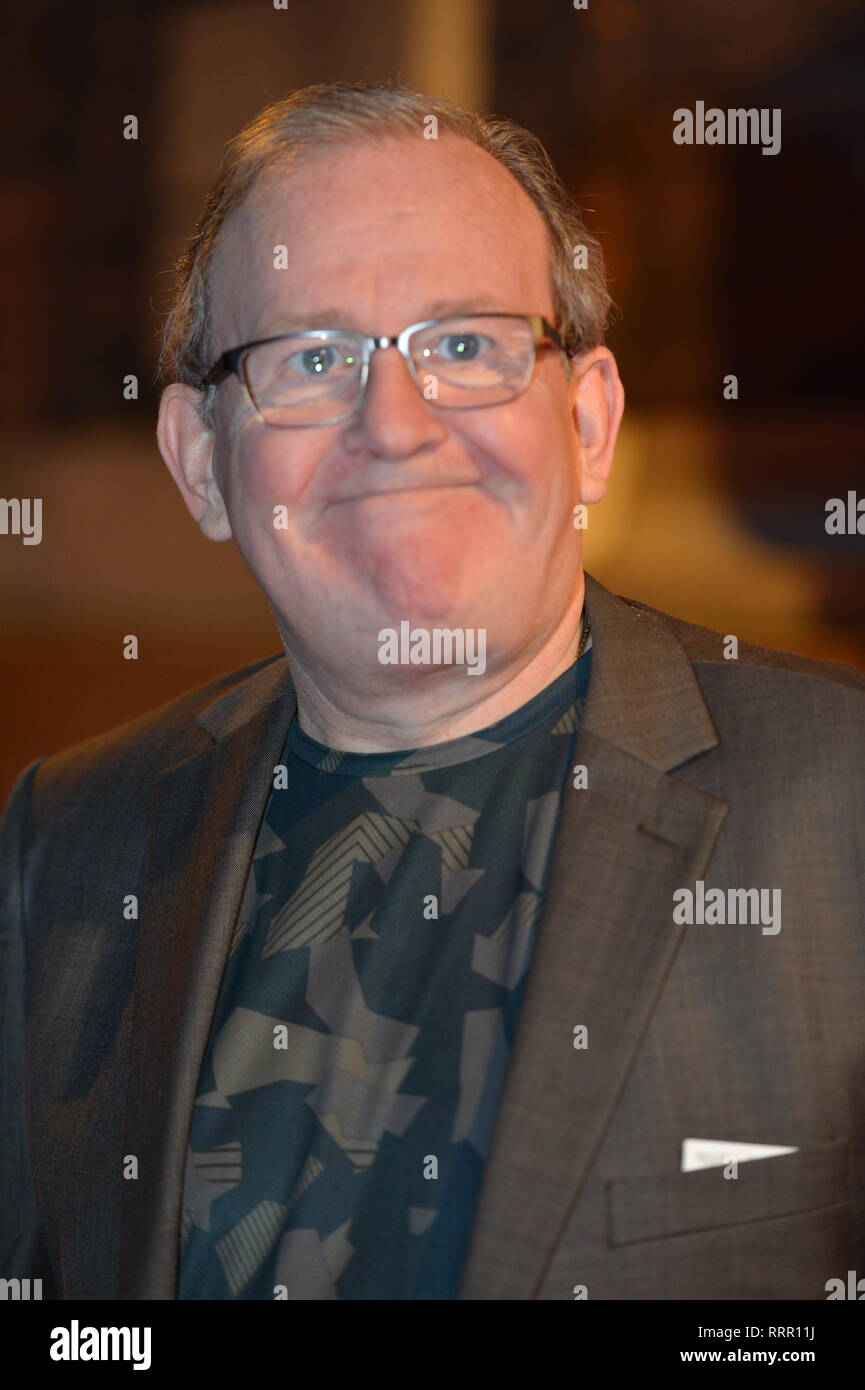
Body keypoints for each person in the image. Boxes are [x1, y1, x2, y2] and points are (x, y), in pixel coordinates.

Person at [1, 80, 863, 1302]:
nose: (394, 426)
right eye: (312, 356)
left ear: (589, 422)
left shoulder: (845, 806)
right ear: (202, 461)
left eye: (465, 345)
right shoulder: (67, 840)